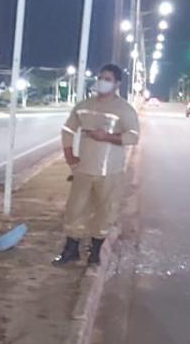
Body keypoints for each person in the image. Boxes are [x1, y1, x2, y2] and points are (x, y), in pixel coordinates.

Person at [54, 63, 139, 266]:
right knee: (75, 209)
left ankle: (95, 252)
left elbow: (133, 137)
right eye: (101, 78)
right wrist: (69, 156)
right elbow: (68, 130)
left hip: (111, 171)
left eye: (108, 79)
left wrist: (107, 137)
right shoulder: (84, 106)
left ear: (117, 83)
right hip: (83, 169)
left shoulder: (124, 110)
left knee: (105, 210)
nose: (102, 82)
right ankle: (70, 250)